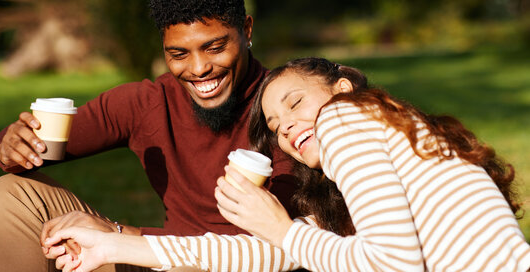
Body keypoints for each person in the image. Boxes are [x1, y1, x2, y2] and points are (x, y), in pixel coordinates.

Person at [42, 57, 530, 272]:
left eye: (296, 102)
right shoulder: (360, 167)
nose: (288, 128)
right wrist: (110, 245)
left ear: (341, 89)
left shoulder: (346, 118)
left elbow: (393, 265)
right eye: (275, 125)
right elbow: (262, 256)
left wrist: (283, 231)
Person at [0, 0, 298, 272]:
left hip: (238, 263)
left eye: (215, 47)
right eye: (178, 54)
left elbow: (278, 246)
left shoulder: (286, 108)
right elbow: (25, 146)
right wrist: (13, 143)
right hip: (150, 259)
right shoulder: (150, 104)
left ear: (246, 30)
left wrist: (123, 237)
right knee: (11, 195)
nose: (199, 69)